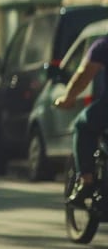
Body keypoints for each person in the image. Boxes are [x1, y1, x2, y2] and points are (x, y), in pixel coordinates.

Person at [54, 36, 108, 207]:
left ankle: (86, 180)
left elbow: (83, 75)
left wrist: (68, 98)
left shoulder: (103, 45)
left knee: (82, 126)